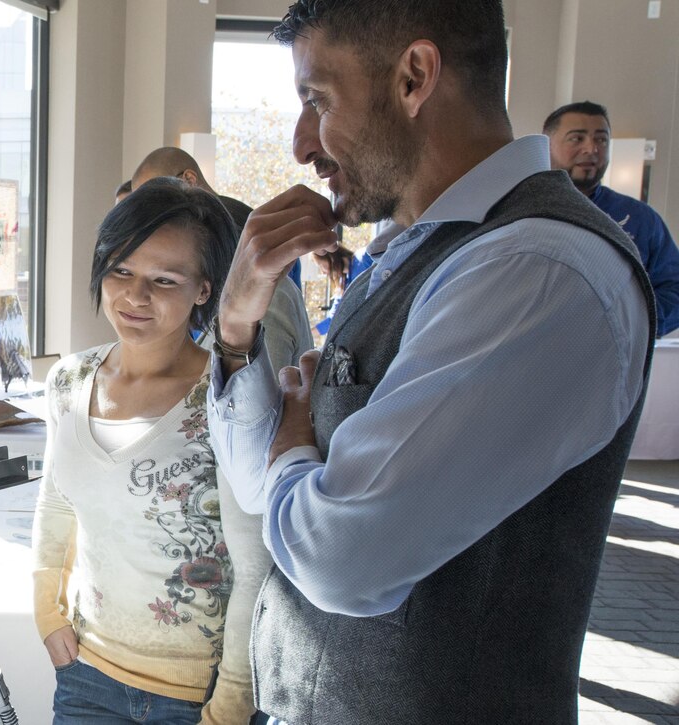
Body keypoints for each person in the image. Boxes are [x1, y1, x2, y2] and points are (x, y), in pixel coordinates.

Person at [206, 1, 654, 722]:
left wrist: (296, 453)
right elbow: (262, 490)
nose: (299, 145)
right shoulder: (405, 252)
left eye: (316, 100)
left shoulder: (538, 270)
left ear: (414, 77)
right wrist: (235, 321)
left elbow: (339, 555)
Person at [31, 177, 264, 724]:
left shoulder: (228, 396)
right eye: (121, 272)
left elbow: (256, 566)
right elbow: (58, 504)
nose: (136, 297)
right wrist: (47, 612)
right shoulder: (69, 381)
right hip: (88, 676)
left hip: (197, 696)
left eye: (164, 279)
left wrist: (232, 704)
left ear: (203, 290)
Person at [130, 149, 312, 372]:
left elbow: (262, 393)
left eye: (155, 201)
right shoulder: (196, 268)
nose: (149, 220)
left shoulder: (257, 271)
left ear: (188, 180)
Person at [545, 100, 679, 337]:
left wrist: (632, 323)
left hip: (618, 357)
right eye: (577, 138)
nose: (591, 149)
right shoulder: (525, 208)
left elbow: (674, 287)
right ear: (547, 145)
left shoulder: (640, 218)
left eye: (601, 139)